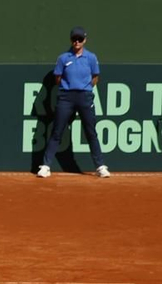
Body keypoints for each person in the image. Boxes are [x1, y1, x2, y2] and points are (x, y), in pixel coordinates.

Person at [38, 26, 110, 179]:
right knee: (57, 132)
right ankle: (45, 166)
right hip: (66, 97)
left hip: (85, 97)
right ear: (71, 40)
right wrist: (70, 88)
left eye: (80, 39)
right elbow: (58, 79)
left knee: (91, 132)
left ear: (85, 40)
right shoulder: (63, 58)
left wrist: (85, 88)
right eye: (74, 39)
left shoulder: (91, 57)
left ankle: (100, 166)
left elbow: (95, 77)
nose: (77, 42)